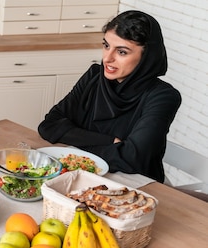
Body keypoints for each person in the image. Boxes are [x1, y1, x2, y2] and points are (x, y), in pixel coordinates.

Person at [38, 10, 181, 183]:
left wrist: (76, 141)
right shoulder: (94, 77)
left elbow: (132, 158)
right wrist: (110, 141)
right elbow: (49, 125)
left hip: (137, 186)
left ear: (146, 57)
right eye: (106, 46)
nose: (107, 58)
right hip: (83, 177)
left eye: (122, 52)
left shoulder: (163, 97)